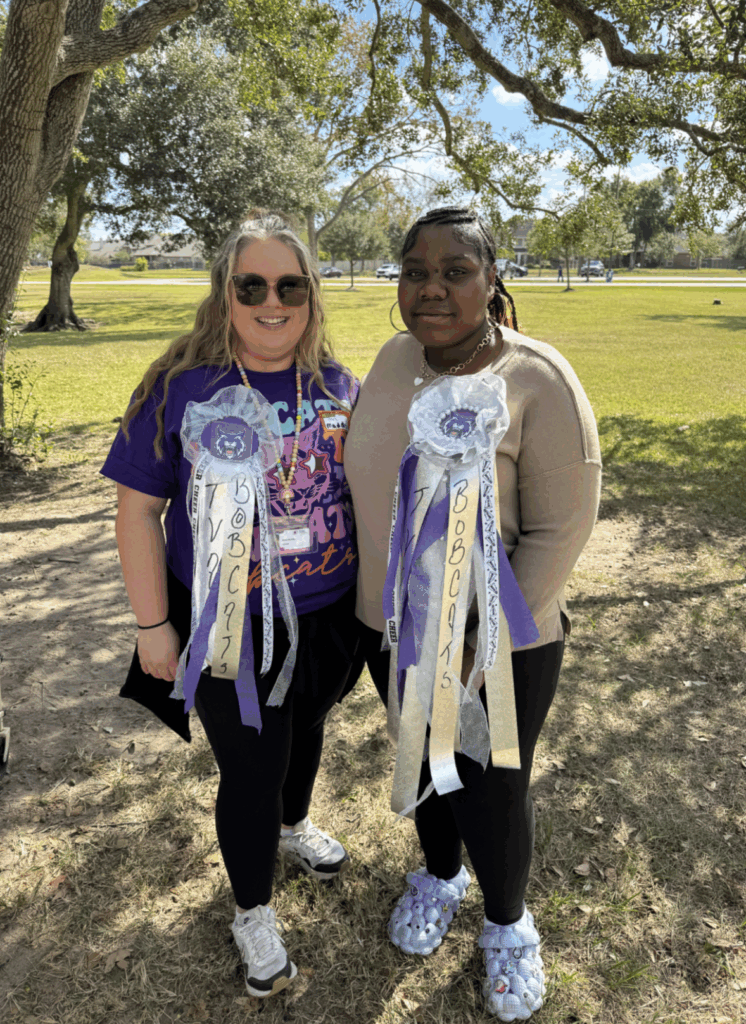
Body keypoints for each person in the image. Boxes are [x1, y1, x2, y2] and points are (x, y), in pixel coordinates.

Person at [345, 207, 601, 1021]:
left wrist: (479, 645)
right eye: (415, 270)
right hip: (392, 628)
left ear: (493, 279)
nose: (432, 287)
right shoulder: (391, 360)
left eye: (456, 269)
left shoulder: (537, 378)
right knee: (422, 762)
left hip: (500, 644)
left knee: (492, 784)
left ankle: (507, 925)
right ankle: (439, 875)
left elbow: (562, 528)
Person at [100, 212, 360, 1000]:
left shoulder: (341, 386)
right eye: (252, 285)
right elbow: (137, 512)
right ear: (225, 294)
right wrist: (154, 627)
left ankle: (292, 830)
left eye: (291, 284)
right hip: (228, 630)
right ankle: (252, 908)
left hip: (330, 617)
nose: (271, 301)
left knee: (305, 731)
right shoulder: (178, 388)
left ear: (312, 294)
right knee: (251, 769)